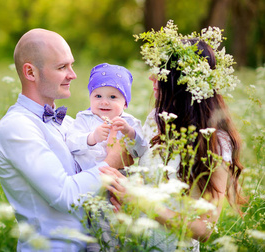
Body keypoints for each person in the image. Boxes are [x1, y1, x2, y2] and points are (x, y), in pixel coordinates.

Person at [100, 21, 247, 251]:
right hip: (135, 242)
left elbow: (205, 229)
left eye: (160, 71)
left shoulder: (216, 142)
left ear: (181, 83)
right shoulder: (156, 118)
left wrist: (140, 202)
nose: (151, 77)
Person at [0, 28, 124, 251]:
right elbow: (66, 196)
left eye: (71, 65)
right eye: (62, 67)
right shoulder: (16, 127)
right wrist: (112, 161)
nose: (72, 74)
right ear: (30, 73)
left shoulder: (69, 123)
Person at [66, 63, 148, 171]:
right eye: (98, 96)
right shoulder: (84, 118)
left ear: (125, 103)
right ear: (90, 97)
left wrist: (130, 133)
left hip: (118, 177)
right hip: (86, 176)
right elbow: (71, 144)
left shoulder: (129, 123)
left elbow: (141, 151)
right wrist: (92, 137)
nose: (104, 102)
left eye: (112, 97)